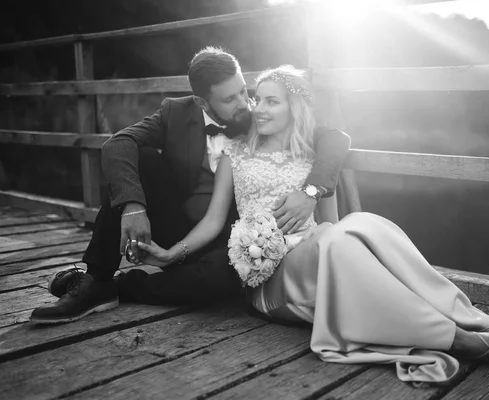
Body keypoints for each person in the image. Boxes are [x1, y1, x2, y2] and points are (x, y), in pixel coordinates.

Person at [133, 65, 489, 385]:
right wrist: (171, 254)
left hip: (320, 256)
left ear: (294, 108)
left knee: (363, 223)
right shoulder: (234, 157)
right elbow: (212, 223)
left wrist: (315, 201)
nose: (259, 108)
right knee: (338, 243)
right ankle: (462, 341)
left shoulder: (312, 158)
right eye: (257, 99)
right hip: (272, 278)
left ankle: (470, 316)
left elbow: (329, 224)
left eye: (271, 101)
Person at [29, 47, 351, 324]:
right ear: (202, 100)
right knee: (142, 159)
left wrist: (311, 191)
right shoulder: (175, 112)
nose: (245, 103)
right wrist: (133, 206)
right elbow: (118, 143)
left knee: (214, 287)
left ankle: (121, 285)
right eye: (230, 98)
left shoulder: (260, 115)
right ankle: (95, 279)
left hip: (229, 238)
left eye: (244, 91)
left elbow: (334, 139)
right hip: (179, 220)